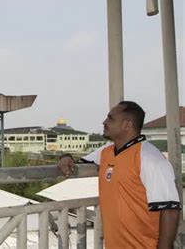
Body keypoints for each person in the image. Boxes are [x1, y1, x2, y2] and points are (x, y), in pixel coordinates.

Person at [58, 101, 180, 248]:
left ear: (126, 125)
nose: (104, 122)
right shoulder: (106, 152)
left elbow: (170, 210)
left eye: (110, 118)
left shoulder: (151, 159)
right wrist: (66, 157)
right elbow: (77, 163)